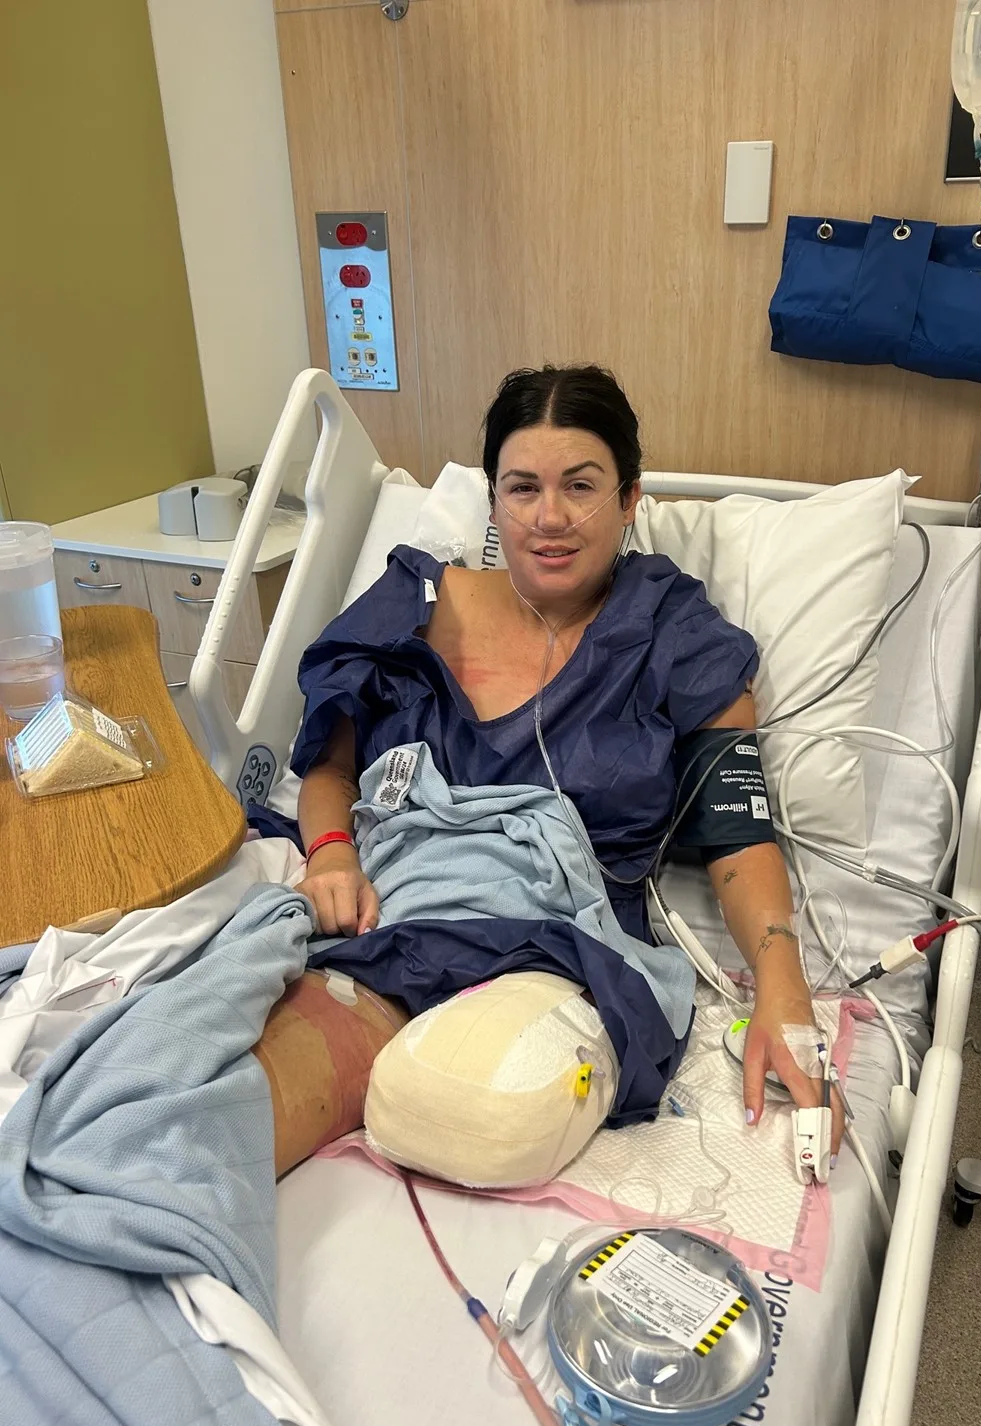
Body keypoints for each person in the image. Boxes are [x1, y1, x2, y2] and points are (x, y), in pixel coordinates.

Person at [291, 365, 841, 1147]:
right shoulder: (412, 605)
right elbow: (330, 769)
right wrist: (332, 855)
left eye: (580, 486)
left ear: (628, 501)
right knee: (209, 1058)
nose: (549, 517)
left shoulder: (669, 632)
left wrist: (783, 988)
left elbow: (736, 831)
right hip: (387, 916)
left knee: (479, 1105)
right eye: (522, 488)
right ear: (493, 502)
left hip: (553, 955)